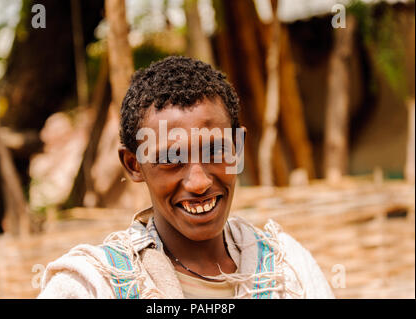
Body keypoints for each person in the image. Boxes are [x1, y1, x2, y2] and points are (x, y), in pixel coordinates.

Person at [38, 56, 334, 299]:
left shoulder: (287, 272)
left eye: (216, 151)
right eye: (170, 159)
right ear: (133, 164)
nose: (199, 182)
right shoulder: (93, 285)